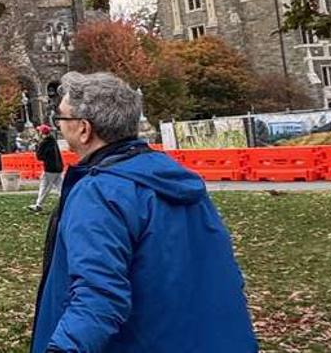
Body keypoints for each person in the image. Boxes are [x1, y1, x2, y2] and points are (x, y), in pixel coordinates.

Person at [32, 72, 257, 353]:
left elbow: (98, 297)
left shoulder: (100, 192)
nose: (58, 127)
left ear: (84, 129)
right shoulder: (176, 178)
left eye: (61, 119)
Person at [29, 124, 65, 212]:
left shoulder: (45, 143)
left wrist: (37, 146)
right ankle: (66, 202)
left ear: (42, 133)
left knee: (45, 186)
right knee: (60, 187)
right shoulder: (53, 141)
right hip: (58, 167)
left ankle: (39, 205)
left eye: (39, 131)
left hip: (50, 169)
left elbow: (40, 156)